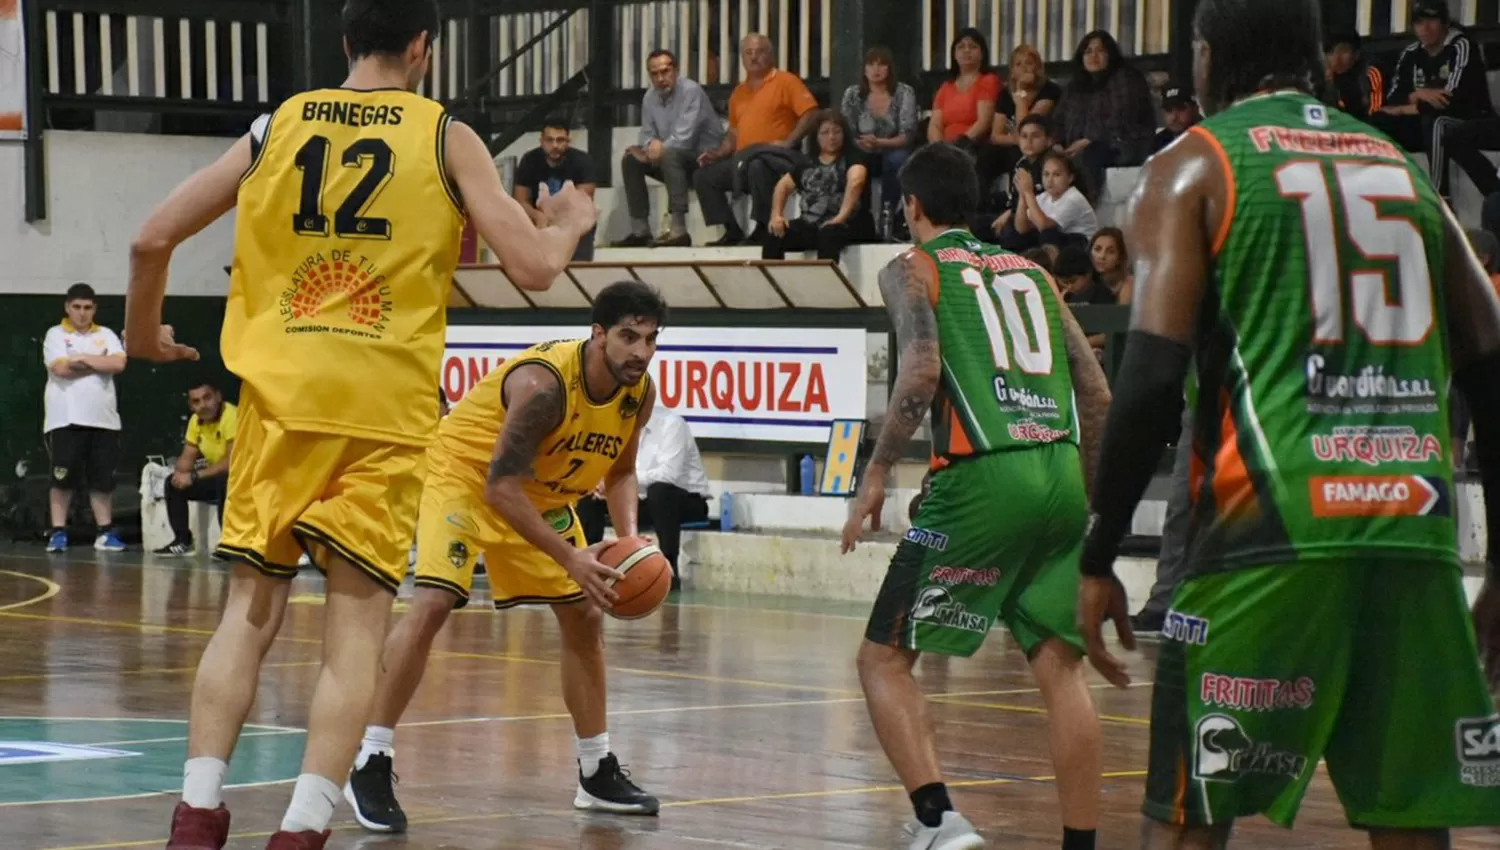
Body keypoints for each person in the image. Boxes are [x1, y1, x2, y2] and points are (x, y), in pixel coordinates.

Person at [124, 1, 597, 847]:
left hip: (280, 396)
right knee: (354, 631)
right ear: (423, 47)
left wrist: (141, 338)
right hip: (382, 408)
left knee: (248, 612)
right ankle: (303, 828)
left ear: (345, 43)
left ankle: (197, 812)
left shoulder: (278, 126)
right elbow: (532, 269)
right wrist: (565, 228)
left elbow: (149, 238)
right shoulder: (446, 135)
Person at [1076, 0, 1500, 845]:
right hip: (1410, 536)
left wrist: (1098, 552)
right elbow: (1492, 368)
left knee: (1191, 818)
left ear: (1206, 56)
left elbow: (1153, 377)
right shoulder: (1401, 169)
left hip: (1264, 531)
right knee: (1412, 823)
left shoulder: (1192, 165)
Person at [841, 142, 1113, 850]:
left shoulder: (911, 269)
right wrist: (1082, 501)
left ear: (912, 206)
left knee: (882, 658)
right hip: (1058, 474)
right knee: (1060, 666)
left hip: (983, 479)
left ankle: (938, 820)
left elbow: (922, 370)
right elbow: (1099, 395)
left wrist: (874, 476)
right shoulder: (1035, 272)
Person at [344, 282, 667, 834]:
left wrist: (628, 543)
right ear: (597, 334)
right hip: (468, 481)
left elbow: (619, 471)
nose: (641, 351)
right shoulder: (544, 385)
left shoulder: (639, 391)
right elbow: (499, 488)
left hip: (539, 494)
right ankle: (369, 759)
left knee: (584, 617)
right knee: (433, 603)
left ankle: (595, 770)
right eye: (628, 336)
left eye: (651, 339)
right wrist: (571, 557)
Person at [693, 33, 820, 246]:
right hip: (742, 159)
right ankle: (731, 230)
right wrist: (719, 153)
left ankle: (762, 228)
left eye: (759, 52)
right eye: (748, 53)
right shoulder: (738, 93)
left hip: (778, 158)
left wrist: (789, 141)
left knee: (757, 166)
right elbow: (734, 131)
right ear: (742, 58)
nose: (754, 57)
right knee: (703, 176)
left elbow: (812, 112)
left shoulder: (786, 81)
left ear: (770, 55)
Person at [578, 403, 710, 589]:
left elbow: (669, 475)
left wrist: (616, 482)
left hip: (687, 500)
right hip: (644, 501)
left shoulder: (671, 423)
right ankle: (589, 565)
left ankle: (669, 568)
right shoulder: (616, 426)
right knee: (589, 497)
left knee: (660, 491)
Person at [1372, 0, 1495, 199]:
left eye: (1431, 21)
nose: (1425, 28)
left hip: (1469, 117)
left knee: (1436, 122)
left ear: (1445, 22)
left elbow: (1449, 100)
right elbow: (1393, 99)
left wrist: (1406, 107)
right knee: (1378, 120)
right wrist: (1418, 94)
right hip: (1423, 119)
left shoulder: (1461, 45)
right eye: (1419, 23)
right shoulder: (1411, 53)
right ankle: (1383, 193)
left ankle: (1440, 197)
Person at [42, 282, 127, 553]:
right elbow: (61, 369)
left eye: (87, 308)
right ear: (68, 307)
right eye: (76, 307)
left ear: (94, 309)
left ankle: (104, 532)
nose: (81, 313)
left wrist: (82, 359)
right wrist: (98, 362)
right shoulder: (55, 334)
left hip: (104, 421)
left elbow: (118, 363)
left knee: (102, 480)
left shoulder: (107, 334)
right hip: (65, 420)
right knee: (62, 479)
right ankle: (58, 532)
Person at [615, 49, 724, 248]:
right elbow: (647, 134)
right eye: (655, 74)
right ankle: (641, 231)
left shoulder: (691, 91)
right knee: (631, 160)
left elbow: (684, 138)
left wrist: (658, 149)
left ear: (676, 70)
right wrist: (647, 149)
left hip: (704, 161)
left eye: (665, 71)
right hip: (672, 159)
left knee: (670, 154)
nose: (661, 78)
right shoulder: (649, 97)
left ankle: (678, 230)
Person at [1052, 30, 1157, 201]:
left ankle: (1089, 206)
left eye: (1100, 50)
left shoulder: (1125, 77)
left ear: (1110, 54)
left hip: (1121, 145)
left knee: (1091, 153)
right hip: (1076, 148)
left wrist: (1089, 140)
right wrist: (1056, 144)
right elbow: (1058, 121)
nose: (1093, 56)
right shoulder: (1074, 87)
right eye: (1088, 51)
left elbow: (1123, 118)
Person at [764, 110, 874, 261]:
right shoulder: (807, 161)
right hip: (810, 224)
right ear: (816, 136)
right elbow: (783, 186)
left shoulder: (854, 157)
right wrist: (776, 216)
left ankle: (826, 283)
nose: (832, 137)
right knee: (774, 234)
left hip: (847, 224)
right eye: (825, 132)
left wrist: (840, 218)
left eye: (837, 132)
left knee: (829, 234)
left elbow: (856, 181)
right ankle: (773, 283)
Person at [839, 46, 918, 230]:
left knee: (898, 158)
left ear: (890, 69)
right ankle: (860, 219)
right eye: (871, 65)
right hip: (862, 149)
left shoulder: (904, 92)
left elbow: (907, 135)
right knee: (855, 159)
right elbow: (846, 129)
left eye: (881, 65)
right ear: (864, 70)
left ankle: (887, 214)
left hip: (893, 147)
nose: (876, 70)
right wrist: (859, 142)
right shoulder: (853, 94)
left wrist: (880, 143)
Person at [155, 380, 237, 557]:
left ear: (218, 396)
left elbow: (232, 461)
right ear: (191, 405)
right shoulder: (196, 421)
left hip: (242, 479)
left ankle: (230, 543)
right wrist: (180, 474)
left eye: (207, 398)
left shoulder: (231, 415)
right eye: (196, 401)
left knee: (226, 479)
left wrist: (194, 476)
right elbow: (188, 454)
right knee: (173, 483)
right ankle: (183, 541)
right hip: (216, 477)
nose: (203, 405)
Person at [514, 121, 599, 260]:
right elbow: (520, 200)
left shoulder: (582, 160)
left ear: (568, 141)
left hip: (572, 221)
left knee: (583, 225)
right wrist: (538, 216)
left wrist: (557, 222)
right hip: (539, 221)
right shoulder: (529, 160)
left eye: (560, 140)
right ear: (541, 141)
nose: (555, 145)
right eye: (549, 140)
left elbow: (583, 203)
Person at [979, 114, 1051, 246]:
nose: (1028, 141)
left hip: (1037, 224)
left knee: (1008, 235)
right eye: (1024, 136)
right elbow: (1016, 200)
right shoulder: (1021, 164)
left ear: (1048, 140)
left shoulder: (1051, 165)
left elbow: (1044, 204)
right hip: (1016, 214)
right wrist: (1007, 214)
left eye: (1035, 136)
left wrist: (1008, 216)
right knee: (976, 225)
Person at [1009, 151, 1098, 250]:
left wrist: (1029, 193)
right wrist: (1022, 194)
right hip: (1063, 242)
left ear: (1070, 178)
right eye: (1046, 174)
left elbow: (1044, 226)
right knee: (1013, 232)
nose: (1050, 180)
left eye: (1056, 175)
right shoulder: (1044, 197)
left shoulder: (1073, 198)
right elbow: (1021, 228)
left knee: (1048, 234)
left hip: (1082, 247)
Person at [991, 44, 1061, 153]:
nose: (1024, 68)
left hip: (1038, 147)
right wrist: (1017, 139)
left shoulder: (1050, 90)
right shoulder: (1005, 94)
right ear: (1012, 72)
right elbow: (995, 137)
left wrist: (1020, 91)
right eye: (1018, 64)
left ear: (1037, 68)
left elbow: (1026, 128)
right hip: (1012, 146)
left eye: (1029, 63)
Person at [1323, 31, 1385, 117]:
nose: (1337, 57)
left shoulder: (1369, 74)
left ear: (1356, 55)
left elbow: (1375, 112)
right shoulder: (1319, 77)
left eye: (1344, 51)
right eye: (1331, 52)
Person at [1087, 227, 1133, 303]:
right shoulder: (1084, 280)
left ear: (1120, 258)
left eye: (1110, 252)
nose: (1102, 256)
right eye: (1097, 249)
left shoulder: (1127, 284)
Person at [1152, 84, 1202, 153]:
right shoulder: (1158, 142)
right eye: (1168, 110)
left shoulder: (1210, 137)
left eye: (1180, 108)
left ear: (1195, 109)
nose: (1174, 117)